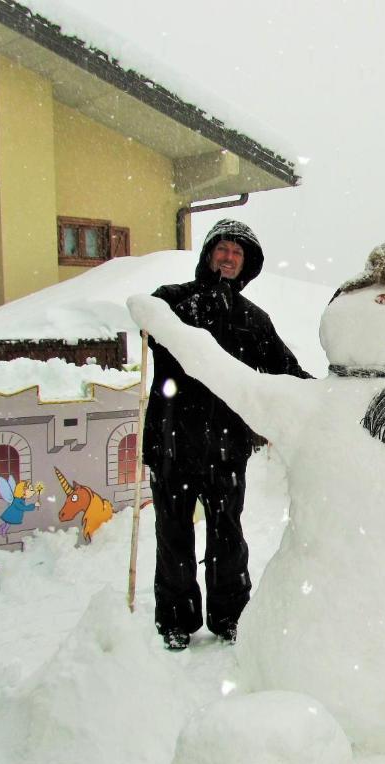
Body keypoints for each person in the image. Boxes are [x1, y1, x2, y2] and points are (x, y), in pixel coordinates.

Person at [142, 218, 310, 651]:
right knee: (173, 534)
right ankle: (176, 620)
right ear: (209, 253)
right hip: (171, 441)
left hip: (225, 448)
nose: (229, 256)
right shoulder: (174, 302)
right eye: (223, 248)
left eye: (238, 252)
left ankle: (229, 615)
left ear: (248, 263)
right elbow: (146, 322)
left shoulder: (253, 319)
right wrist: (165, 312)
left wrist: (325, 394)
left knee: (227, 534)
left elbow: (285, 370)